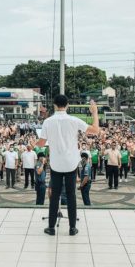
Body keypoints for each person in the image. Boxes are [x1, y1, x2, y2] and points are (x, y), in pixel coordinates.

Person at [38, 95, 101, 236]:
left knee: (54, 196)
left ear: (54, 105)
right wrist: (94, 112)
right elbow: (96, 130)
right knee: (71, 195)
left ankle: (51, 228)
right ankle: (72, 228)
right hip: (71, 163)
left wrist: (32, 144)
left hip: (56, 164)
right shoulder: (74, 120)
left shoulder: (48, 121)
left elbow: (41, 144)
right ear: (67, 106)